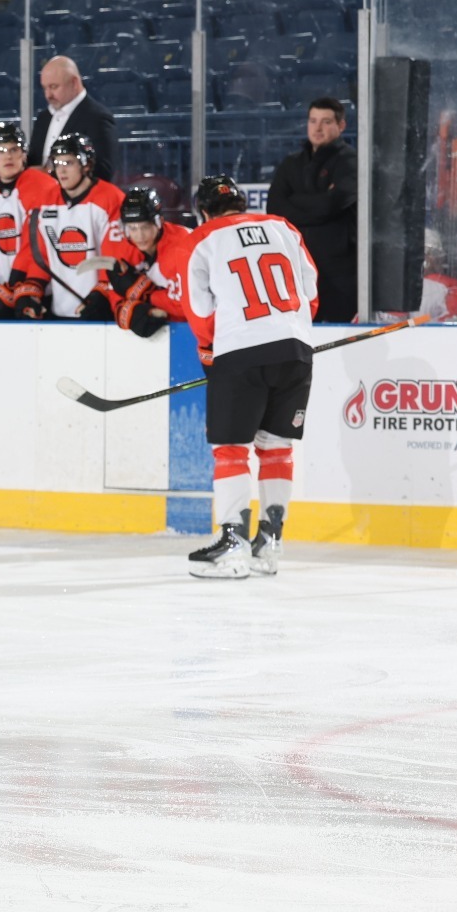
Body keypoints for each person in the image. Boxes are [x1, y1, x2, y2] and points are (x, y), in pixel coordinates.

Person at [180, 174, 318, 579]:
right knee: (276, 448)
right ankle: (269, 544)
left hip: (240, 353)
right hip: (295, 350)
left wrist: (212, 352)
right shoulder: (284, 228)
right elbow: (310, 293)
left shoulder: (202, 238)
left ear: (203, 211)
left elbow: (201, 312)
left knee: (231, 450)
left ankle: (233, 548)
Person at [9, 131, 128, 319]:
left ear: (86, 164)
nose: (61, 171)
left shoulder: (111, 199)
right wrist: (33, 287)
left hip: (103, 312)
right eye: (57, 163)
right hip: (59, 310)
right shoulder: (46, 200)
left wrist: (102, 295)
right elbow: (41, 255)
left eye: (69, 163)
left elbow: (117, 257)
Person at [266, 96, 356, 323]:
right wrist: (321, 202)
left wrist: (295, 201)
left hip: (339, 272)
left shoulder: (351, 161)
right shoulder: (291, 163)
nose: (317, 127)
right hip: (296, 267)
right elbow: (275, 210)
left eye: (326, 121)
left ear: (341, 126)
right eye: (313, 120)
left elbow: (333, 204)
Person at [0, 120, 61, 316]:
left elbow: (37, 244)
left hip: (39, 286)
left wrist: (14, 285)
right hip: (3, 289)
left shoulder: (44, 185)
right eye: (1, 150)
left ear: (24, 154)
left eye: (14, 149)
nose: (8, 156)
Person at [110, 186, 193, 337]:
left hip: (192, 332)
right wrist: (125, 309)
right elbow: (115, 292)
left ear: (159, 222)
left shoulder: (181, 246)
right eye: (133, 228)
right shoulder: (128, 247)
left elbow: (185, 306)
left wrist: (148, 296)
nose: (139, 236)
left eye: (145, 227)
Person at [26, 54, 118, 181]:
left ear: (74, 83)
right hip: (41, 199)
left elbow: (103, 170)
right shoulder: (43, 118)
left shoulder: (98, 117)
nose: (48, 95)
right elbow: (33, 161)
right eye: (44, 88)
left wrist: (50, 173)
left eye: (54, 87)